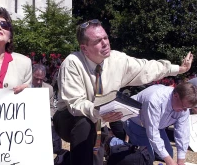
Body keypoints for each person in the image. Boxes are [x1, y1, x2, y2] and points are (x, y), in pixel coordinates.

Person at [52, 19, 193, 165]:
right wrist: (98, 112)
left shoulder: (117, 59)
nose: (105, 43)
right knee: (85, 123)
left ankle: (66, 159)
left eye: (106, 37)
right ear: (84, 48)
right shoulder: (72, 63)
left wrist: (178, 69)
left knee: (106, 156)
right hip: (68, 119)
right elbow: (76, 105)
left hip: (99, 121)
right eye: (98, 41)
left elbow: (146, 68)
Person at [122, 82, 197, 165]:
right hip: (136, 122)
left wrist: (180, 161)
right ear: (176, 96)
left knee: (168, 154)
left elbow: (183, 133)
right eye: (183, 106)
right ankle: (116, 145)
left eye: (187, 108)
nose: (184, 110)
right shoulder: (155, 100)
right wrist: (170, 162)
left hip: (158, 126)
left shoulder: (183, 106)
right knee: (147, 158)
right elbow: (153, 133)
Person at [32, 64, 68, 164]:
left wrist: (51, 119)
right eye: (36, 79)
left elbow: (51, 107)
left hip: (44, 119)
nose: (39, 82)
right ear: (31, 75)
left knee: (55, 128)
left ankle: (57, 155)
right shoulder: (24, 87)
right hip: (28, 120)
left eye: (41, 79)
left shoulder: (49, 88)